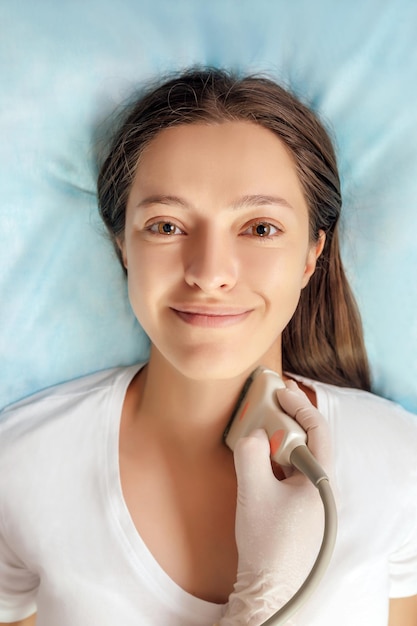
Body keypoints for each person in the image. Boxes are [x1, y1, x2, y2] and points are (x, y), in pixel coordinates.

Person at [0, 68, 416, 626]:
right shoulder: (20, 468)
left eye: (261, 228)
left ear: (312, 256)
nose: (210, 272)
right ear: (123, 244)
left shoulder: (401, 464)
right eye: (167, 226)